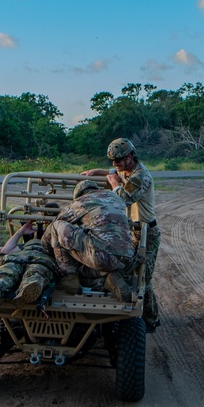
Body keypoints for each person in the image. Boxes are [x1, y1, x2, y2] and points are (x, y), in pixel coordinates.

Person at [81, 138, 161, 332]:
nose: (115, 164)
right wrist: (98, 173)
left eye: (118, 160)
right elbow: (116, 173)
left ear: (130, 156)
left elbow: (124, 198)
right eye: (112, 161)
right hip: (130, 230)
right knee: (126, 272)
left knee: (143, 279)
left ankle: (151, 319)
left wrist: (115, 185)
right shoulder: (127, 170)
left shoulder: (141, 176)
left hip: (146, 232)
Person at [43, 180, 135, 301]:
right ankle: (109, 280)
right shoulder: (115, 198)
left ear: (78, 194)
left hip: (101, 257)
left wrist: (45, 247)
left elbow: (54, 225)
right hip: (127, 259)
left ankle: (70, 278)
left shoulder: (81, 202)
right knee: (92, 265)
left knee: (57, 226)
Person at [0, 222, 58, 308]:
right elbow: (5, 251)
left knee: (35, 273)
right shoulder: (24, 246)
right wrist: (20, 232)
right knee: (6, 270)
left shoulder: (54, 247)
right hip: (19, 258)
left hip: (42, 260)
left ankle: (25, 294)